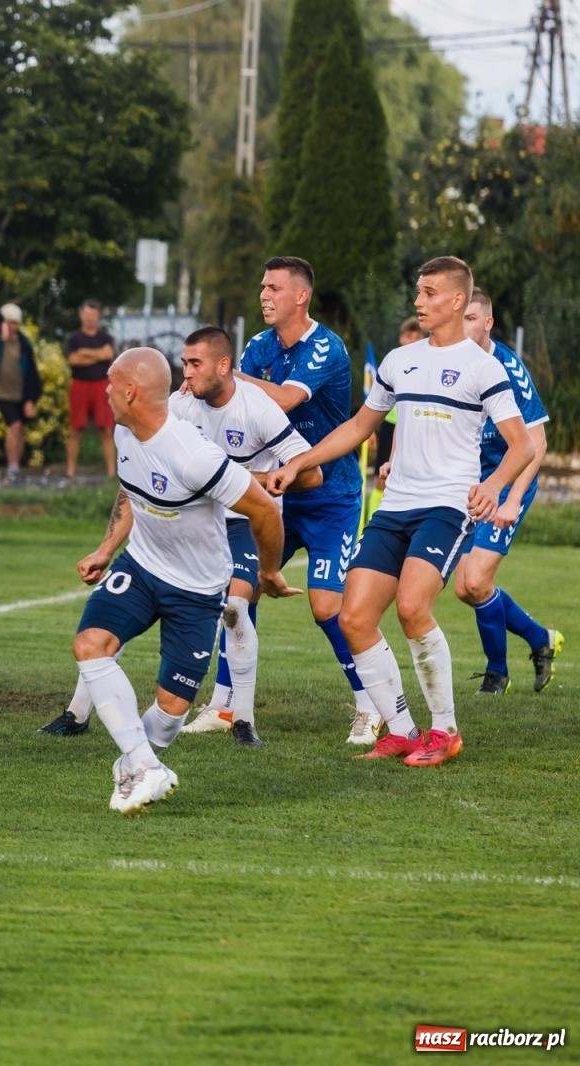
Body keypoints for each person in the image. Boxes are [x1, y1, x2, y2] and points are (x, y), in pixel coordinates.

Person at [267, 256, 533, 768]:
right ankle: (404, 731)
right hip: (395, 506)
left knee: (413, 607)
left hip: (449, 505)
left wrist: (495, 485)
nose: (419, 301)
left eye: (430, 292)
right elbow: (359, 426)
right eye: (418, 292)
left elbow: (520, 444)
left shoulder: (484, 367)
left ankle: (445, 731)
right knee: (354, 616)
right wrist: (301, 460)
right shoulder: (399, 360)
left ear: (458, 300)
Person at [66, 348, 294, 814]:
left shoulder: (194, 456)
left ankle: (141, 761)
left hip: (197, 589)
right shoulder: (124, 431)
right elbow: (130, 492)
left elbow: (265, 510)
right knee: (90, 644)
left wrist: (268, 570)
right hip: (142, 568)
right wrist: (106, 550)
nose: (105, 391)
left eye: (111, 383)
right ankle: (143, 765)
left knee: (170, 715)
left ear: (131, 391)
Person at [234, 256, 382, 746]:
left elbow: (283, 400)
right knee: (239, 590)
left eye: (274, 287)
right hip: (276, 493)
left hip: (331, 493)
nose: (264, 295)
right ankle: (227, 704)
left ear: (301, 296)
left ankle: (370, 704)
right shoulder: (258, 346)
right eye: (262, 286)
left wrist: (227, 376)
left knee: (325, 607)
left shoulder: (325, 347)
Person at [166, 327, 320, 746]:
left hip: (244, 521)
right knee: (134, 597)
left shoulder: (258, 409)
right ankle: (77, 712)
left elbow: (311, 473)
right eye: (184, 363)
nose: (186, 372)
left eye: (195, 363)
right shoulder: (180, 406)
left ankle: (243, 721)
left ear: (222, 365)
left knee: (235, 607)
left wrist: (240, 481)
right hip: (194, 519)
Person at [451, 288, 562, 695]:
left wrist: (511, 498)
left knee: (476, 580)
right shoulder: (452, 362)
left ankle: (497, 673)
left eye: (471, 318)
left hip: (509, 479)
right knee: (465, 587)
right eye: (459, 317)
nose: (463, 326)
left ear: (488, 323)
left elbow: (537, 443)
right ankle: (539, 639)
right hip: (469, 483)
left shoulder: (508, 369)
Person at [0, 302, 41, 480]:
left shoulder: (24, 344)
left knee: (20, 430)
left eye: (15, 322)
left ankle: (16, 465)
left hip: (20, 393)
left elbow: (32, 373)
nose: (12, 326)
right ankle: (12, 466)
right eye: (8, 322)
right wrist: (0, 323)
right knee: (15, 426)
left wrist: (31, 399)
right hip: (1, 392)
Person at [63, 299, 116, 480]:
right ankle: (70, 471)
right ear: (81, 315)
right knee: (75, 429)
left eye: (93, 316)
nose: (89, 319)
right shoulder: (74, 338)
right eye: (86, 315)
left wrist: (85, 353)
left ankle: (111, 472)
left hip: (102, 385)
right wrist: (97, 355)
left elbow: (108, 354)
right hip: (79, 385)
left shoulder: (105, 337)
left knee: (107, 429)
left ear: (98, 316)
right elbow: (73, 360)